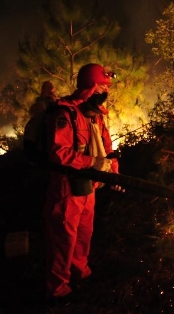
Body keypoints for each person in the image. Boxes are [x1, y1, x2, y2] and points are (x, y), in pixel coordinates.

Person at [43, 63, 119, 306]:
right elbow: (58, 152)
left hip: (89, 187)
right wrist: (92, 162)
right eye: (102, 88)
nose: (105, 94)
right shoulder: (65, 114)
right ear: (91, 88)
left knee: (84, 233)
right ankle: (57, 287)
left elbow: (106, 147)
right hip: (67, 188)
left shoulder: (96, 114)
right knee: (64, 237)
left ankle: (80, 272)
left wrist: (113, 171)